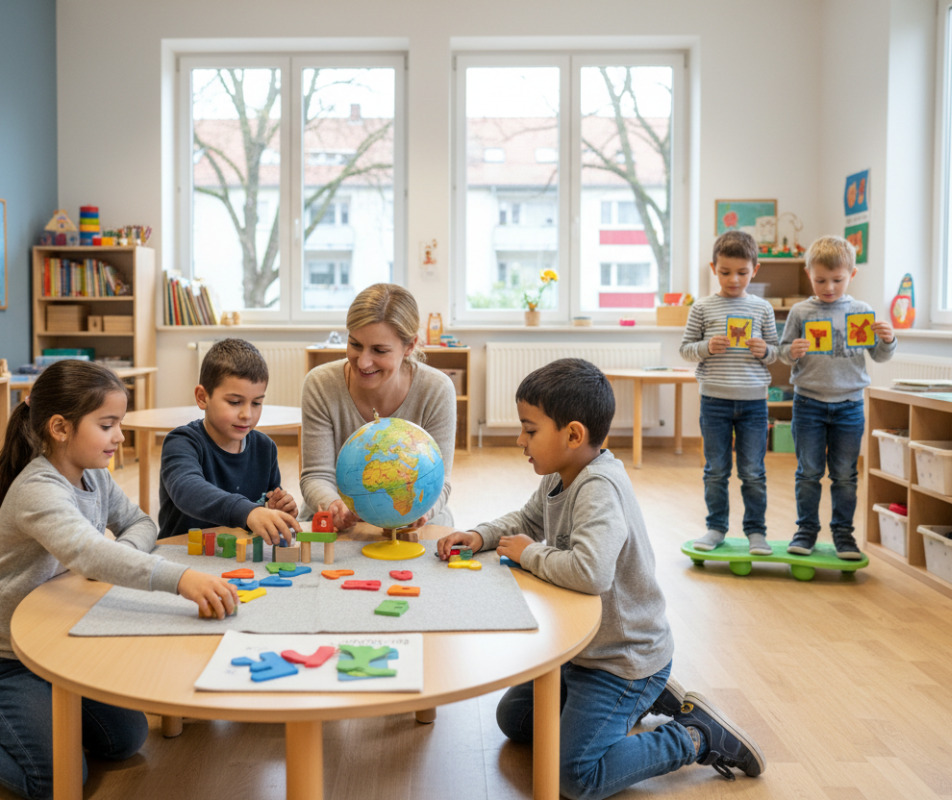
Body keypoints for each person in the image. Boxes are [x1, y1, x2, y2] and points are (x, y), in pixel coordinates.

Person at [0, 360, 239, 799]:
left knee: (126, 740)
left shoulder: (96, 476)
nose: (120, 436)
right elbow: (89, 552)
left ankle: (31, 722)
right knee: (56, 782)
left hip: (56, 642)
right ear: (60, 428)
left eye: (118, 423)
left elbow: (138, 522)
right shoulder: (38, 490)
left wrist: (121, 556)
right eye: (107, 425)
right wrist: (178, 579)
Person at [435, 358, 764, 799]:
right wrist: (481, 535)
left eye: (530, 430)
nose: (519, 439)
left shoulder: (598, 488)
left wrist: (529, 553)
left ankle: (697, 736)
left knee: (574, 775)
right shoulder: (561, 472)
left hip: (622, 659)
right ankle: (649, 699)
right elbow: (528, 518)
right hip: (582, 652)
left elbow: (590, 573)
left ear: (573, 435)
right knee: (513, 720)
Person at [300, 283, 456, 530]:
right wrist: (333, 505)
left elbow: (441, 481)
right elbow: (316, 476)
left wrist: (422, 513)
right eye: (355, 344)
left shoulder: (437, 390)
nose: (362, 362)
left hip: (417, 522)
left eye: (379, 350)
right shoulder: (320, 384)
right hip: (338, 523)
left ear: (410, 346)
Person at [778, 235, 896, 559]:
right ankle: (805, 532)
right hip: (808, 404)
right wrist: (792, 350)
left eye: (837, 280)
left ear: (852, 275)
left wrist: (888, 339)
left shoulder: (862, 311)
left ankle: (844, 535)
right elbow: (782, 352)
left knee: (845, 474)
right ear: (809, 275)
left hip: (850, 405)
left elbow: (880, 356)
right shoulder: (801, 312)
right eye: (820, 280)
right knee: (808, 472)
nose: (828, 287)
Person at [679, 230, 779, 555]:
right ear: (713, 268)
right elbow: (685, 349)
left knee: (753, 472)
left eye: (742, 272)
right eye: (725, 272)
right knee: (716, 470)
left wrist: (764, 350)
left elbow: (777, 353)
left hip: (754, 403)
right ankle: (716, 528)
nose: (733, 280)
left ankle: (756, 533)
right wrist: (706, 346)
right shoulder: (703, 308)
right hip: (714, 401)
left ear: (755, 270)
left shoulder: (762, 309)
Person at [157, 338, 299, 543]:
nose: (246, 414)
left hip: (240, 557)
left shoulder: (265, 448)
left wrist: (275, 510)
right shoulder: (182, 442)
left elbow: (261, 509)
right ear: (202, 397)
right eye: (234, 402)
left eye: (257, 403)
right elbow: (187, 489)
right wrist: (249, 511)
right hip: (183, 555)